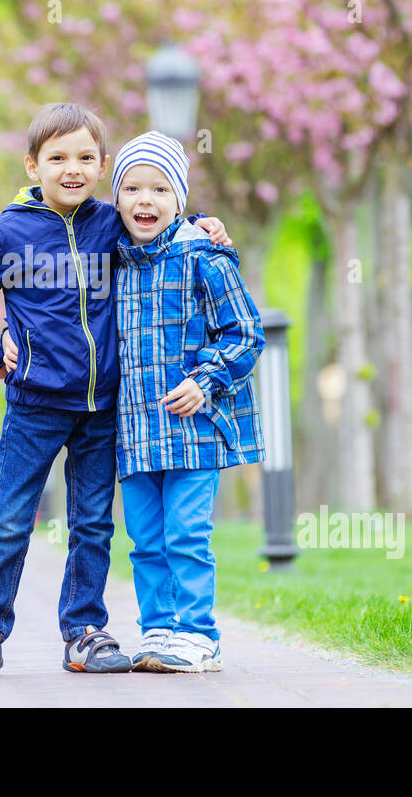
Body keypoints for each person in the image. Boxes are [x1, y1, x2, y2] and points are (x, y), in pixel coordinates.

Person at [0, 101, 231, 678]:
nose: (71, 168)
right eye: (57, 158)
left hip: (103, 409)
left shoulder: (111, 224)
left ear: (101, 167)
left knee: (93, 522)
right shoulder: (6, 233)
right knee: (10, 517)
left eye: (85, 158)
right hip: (34, 407)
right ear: (32, 166)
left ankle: (85, 630)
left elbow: (160, 219)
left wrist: (205, 224)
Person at [110, 130, 265, 672]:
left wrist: (207, 379)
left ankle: (199, 634)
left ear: (180, 199)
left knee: (186, 535)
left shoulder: (205, 258)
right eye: (131, 189)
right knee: (145, 541)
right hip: (133, 432)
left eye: (158, 189)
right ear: (117, 198)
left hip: (192, 431)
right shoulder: (114, 263)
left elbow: (245, 333)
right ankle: (157, 631)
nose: (144, 201)